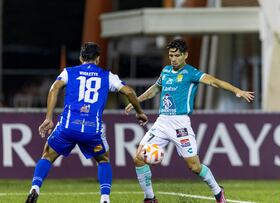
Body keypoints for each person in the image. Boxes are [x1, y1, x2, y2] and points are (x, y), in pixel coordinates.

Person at [125, 39, 255, 203]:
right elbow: (155, 89)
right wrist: (137, 100)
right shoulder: (165, 71)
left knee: (194, 167)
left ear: (185, 55)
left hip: (180, 125)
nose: (173, 59)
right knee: (138, 158)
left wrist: (237, 90)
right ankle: (149, 198)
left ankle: (217, 191)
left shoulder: (191, 73)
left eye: (177, 55)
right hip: (162, 122)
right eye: (171, 55)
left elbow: (214, 81)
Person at [25, 42, 148, 203]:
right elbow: (129, 91)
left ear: (80, 57)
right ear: (97, 59)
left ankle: (35, 187)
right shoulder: (107, 76)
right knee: (103, 160)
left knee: (47, 155)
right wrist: (139, 112)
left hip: (68, 127)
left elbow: (54, 88)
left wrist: (48, 118)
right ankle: (104, 198)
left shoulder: (69, 72)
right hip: (92, 130)